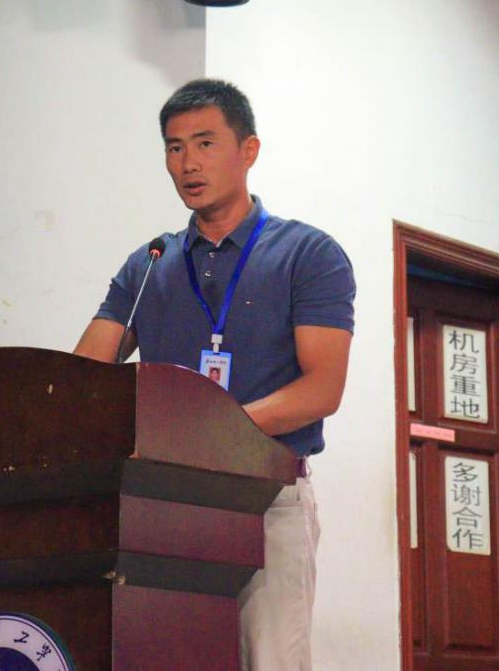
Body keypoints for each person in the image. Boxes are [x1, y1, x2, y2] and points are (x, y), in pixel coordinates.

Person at [73, 79, 355, 671]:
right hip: (164, 503)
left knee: (271, 661)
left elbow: (322, 389)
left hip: (267, 498)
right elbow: (83, 380)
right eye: (174, 148)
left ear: (248, 151)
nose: (188, 163)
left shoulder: (307, 254)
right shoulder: (150, 264)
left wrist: (211, 431)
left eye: (205, 143)